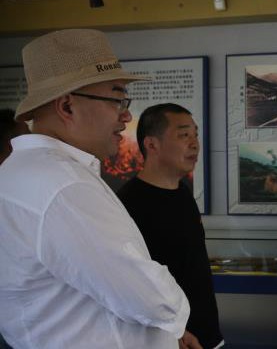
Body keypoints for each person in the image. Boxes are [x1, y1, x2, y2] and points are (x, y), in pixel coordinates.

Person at [0, 29, 197, 349]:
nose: (126, 115)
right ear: (67, 106)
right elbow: (150, 300)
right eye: (117, 99)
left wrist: (167, 334)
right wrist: (172, 313)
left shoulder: (16, 172)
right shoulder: (65, 186)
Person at [117, 103, 224, 349]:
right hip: (169, 340)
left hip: (205, 333)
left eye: (195, 134)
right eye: (184, 135)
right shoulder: (128, 204)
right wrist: (172, 332)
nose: (195, 144)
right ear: (152, 144)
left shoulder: (183, 193)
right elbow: (129, 285)